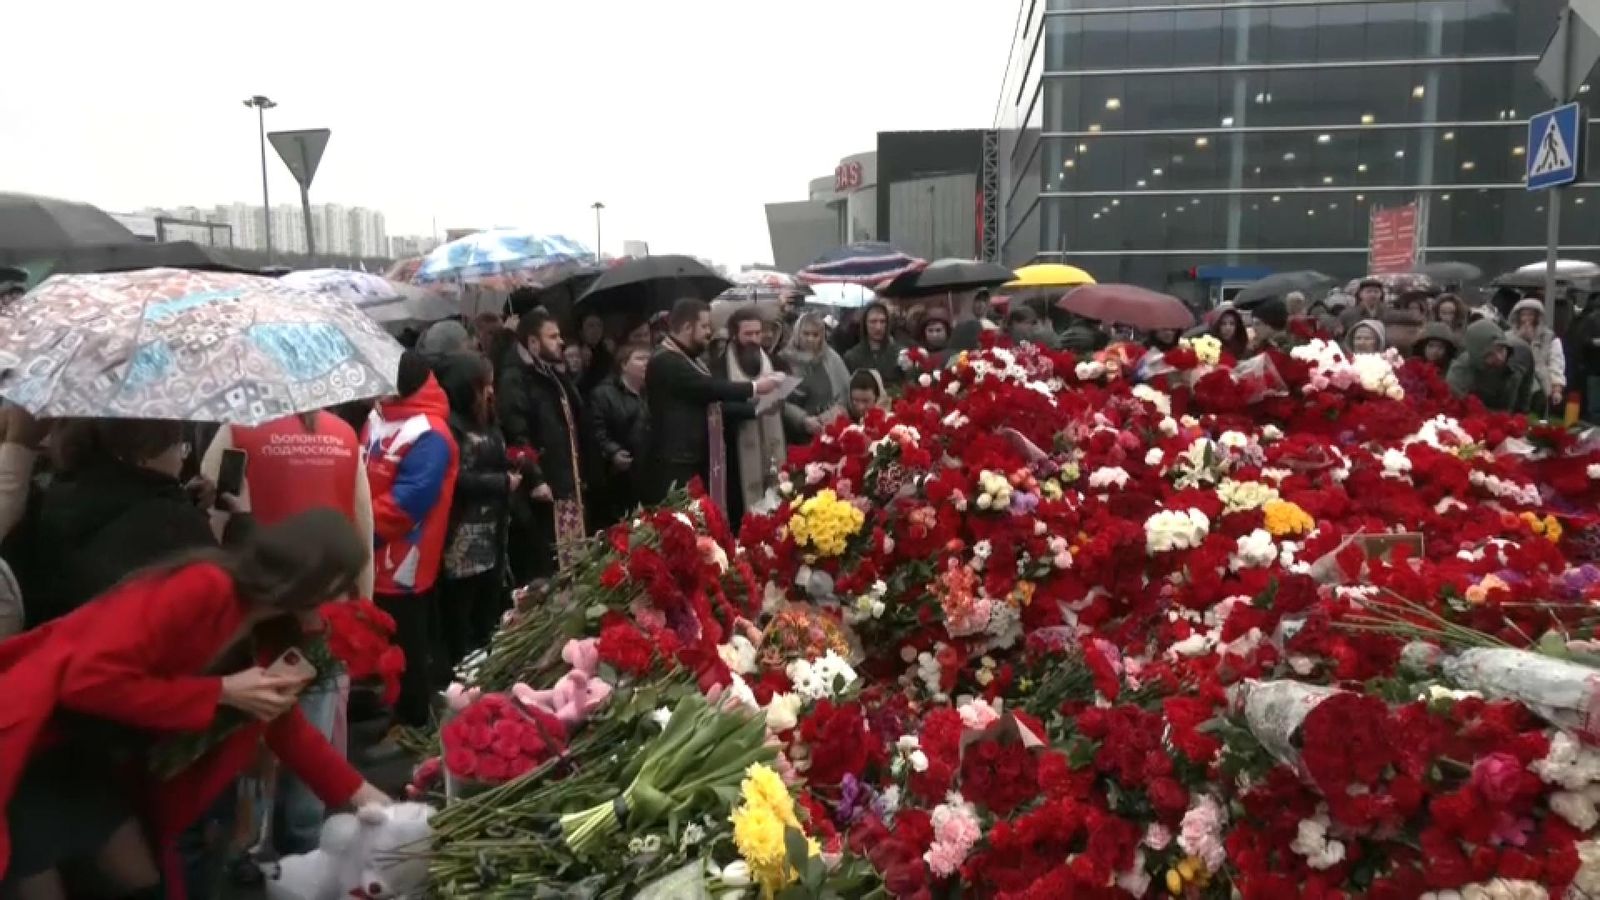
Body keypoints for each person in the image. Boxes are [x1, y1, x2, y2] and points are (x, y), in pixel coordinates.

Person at [0, 509, 390, 900]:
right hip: (35, 747)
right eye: (339, 585)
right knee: (46, 874)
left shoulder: (272, 628)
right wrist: (220, 691)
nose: (341, 600)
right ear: (312, 576)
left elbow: (284, 726)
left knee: (140, 877)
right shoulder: (207, 586)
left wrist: (363, 795)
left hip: (93, 754)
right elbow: (84, 681)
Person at [198, 410, 373, 855]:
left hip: (254, 609)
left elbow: (213, 523)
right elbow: (362, 528)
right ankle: (303, 847)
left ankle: (247, 844)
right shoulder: (345, 435)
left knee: (251, 731)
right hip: (323, 613)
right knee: (309, 732)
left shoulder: (237, 430)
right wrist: (363, 611)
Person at [12, 419, 234, 629]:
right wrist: (238, 521)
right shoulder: (174, 523)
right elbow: (223, 598)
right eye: (179, 447)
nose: (182, 458)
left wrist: (183, 500)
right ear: (143, 455)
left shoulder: (52, 497)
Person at [365, 351, 460, 729]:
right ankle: (387, 704)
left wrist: (358, 527)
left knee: (407, 644)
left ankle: (412, 718)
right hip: (370, 549)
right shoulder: (379, 416)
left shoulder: (430, 433)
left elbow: (410, 502)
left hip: (404, 558)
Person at [643, 299, 782, 517]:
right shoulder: (666, 361)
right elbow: (708, 389)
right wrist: (755, 387)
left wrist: (755, 409)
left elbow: (713, 406)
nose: (710, 332)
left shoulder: (691, 359)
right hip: (676, 462)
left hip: (694, 457)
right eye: (705, 326)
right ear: (688, 327)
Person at [431, 352, 514, 671]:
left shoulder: (487, 420)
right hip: (462, 537)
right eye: (485, 385)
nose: (491, 391)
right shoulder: (450, 425)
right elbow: (454, 478)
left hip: (493, 531)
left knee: (488, 611)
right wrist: (502, 482)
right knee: (461, 614)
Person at [497, 310, 587, 581]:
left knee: (572, 561)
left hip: (566, 479)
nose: (561, 342)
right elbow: (517, 432)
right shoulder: (515, 377)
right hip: (544, 485)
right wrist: (535, 477)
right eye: (553, 336)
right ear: (533, 342)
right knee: (550, 563)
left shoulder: (550, 373)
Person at [722, 307, 788, 527]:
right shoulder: (721, 364)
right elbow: (719, 406)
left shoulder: (772, 360)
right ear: (734, 335)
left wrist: (780, 399)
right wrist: (753, 408)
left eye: (758, 333)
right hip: (735, 451)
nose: (754, 339)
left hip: (770, 446)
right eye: (748, 334)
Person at [585, 343, 651, 527]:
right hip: (616, 476)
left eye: (648, 359)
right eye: (640, 358)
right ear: (623, 364)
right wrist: (612, 451)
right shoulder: (603, 394)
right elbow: (596, 430)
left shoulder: (652, 393)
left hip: (647, 473)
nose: (646, 363)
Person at [782, 312, 850, 441]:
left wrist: (835, 412)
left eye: (815, 335)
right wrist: (802, 419)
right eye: (806, 334)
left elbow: (845, 391)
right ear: (797, 334)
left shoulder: (831, 358)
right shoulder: (784, 360)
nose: (810, 339)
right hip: (794, 434)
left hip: (828, 431)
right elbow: (779, 402)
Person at [1448, 319, 1529, 412]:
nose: (1499, 357)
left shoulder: (1522, 355)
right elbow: (1458, 407)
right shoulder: (1460, 372)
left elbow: (1524, 400)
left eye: (1501, 349)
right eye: (1489, 354)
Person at [1510, 297, 1567, 412]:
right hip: (1514, 386)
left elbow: (1556, 363)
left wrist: (1557, 389)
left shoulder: (1549, 337)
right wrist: (1520, 339)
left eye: (1530, 315)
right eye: (1523, 315)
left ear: (1538, 317)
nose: (1527, 319)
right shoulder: (1508, 336)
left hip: (1540, 387)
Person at [841, 301, 906, 388]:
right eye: (873, 322)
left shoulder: (901, 353)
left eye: (882, 322)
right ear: (865, 324)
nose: (878, 327)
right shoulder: (852, 357)